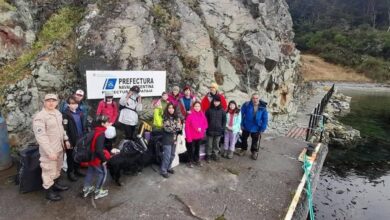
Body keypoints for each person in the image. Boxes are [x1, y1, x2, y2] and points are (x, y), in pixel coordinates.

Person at [33, 94, 70, 201]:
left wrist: (66, 139)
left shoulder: (57, 113)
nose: (51, 103)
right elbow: (41, 137)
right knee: (48, 171)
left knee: (57, 168)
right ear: (44, 102)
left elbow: (61, 128)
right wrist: (50, 152)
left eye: (53, 100)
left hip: (59, 148)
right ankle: (49, 192)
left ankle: (55, 185)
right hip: (49, 151)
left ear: (57, 102)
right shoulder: (40, 117)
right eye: (48, 100)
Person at [82, 115, 112, 200]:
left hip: (90, 156)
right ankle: (98, 191)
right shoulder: (101, 134)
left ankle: (86, 188)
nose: (108, 124)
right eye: (107, 122)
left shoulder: (95, 130)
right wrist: (104, 159)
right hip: (96, 158)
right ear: (102, 124)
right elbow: (99, 150)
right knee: (102, 173)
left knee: (90, 172)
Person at [62, 95, 85, 182]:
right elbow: (64, 128)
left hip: (80, 138)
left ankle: (77, 170)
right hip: (71, 139)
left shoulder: (80, 112)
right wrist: (67, 140)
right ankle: (70, 173)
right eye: (72, 104)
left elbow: (83, 125)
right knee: (70, 157)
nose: (74, 105)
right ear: (68, 105)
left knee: (78, 155)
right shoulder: (65, 114)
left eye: (76, 103)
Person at [239, 93, 268, 160]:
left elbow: (265, 118)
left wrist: (263, 128)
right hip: (246, 125)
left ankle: (254, 151)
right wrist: (241, 124)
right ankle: (243, 149)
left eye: (256, 98)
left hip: (256, 127)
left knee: (255, 140)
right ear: (251, 98)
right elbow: (241, 114)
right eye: (253, 98)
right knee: (244, 138)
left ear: (259, 99)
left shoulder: (262, 107)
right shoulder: (246, 104)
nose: (255, 100)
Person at [160, 103, 182, 178]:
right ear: (167, 109)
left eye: (172, 108)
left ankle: (168, 167)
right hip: (167, 139)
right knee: (167, 156)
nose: (171, 109)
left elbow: (180, 128)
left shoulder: (176, 117)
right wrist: (176, 127)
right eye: (169, 108)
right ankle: (163, 170)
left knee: (172, 155)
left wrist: (176, 127)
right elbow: (167, 129)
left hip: (174, 139)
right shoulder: (165, 117)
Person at [185, 101, 208, 167]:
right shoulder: (190, 115)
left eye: (198, 106)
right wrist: (188, 137)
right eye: (195, 106)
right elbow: (187, 127)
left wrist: (201, 128)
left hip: (199, 136)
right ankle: (190, 161)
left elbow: (206, 124)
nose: (197, 107)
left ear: (200, 107)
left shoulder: (202, 114)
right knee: (190, 149)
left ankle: (197, 160)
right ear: (193, 107)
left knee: (197, 149)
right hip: (191, 136)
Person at [205, 95, 226, 162]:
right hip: (210, 130)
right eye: (215, 101)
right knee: (209, 144)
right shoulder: (209, 109)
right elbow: (205, 119)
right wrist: (206, 127)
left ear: (220, 102)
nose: (216, 103)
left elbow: (224, 120)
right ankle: (208, 155)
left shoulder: (222, 110)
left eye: (218, 101)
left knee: (216, 144)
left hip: (218, 130)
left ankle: (215, 155)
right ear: (213, 101)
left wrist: (222, 128)